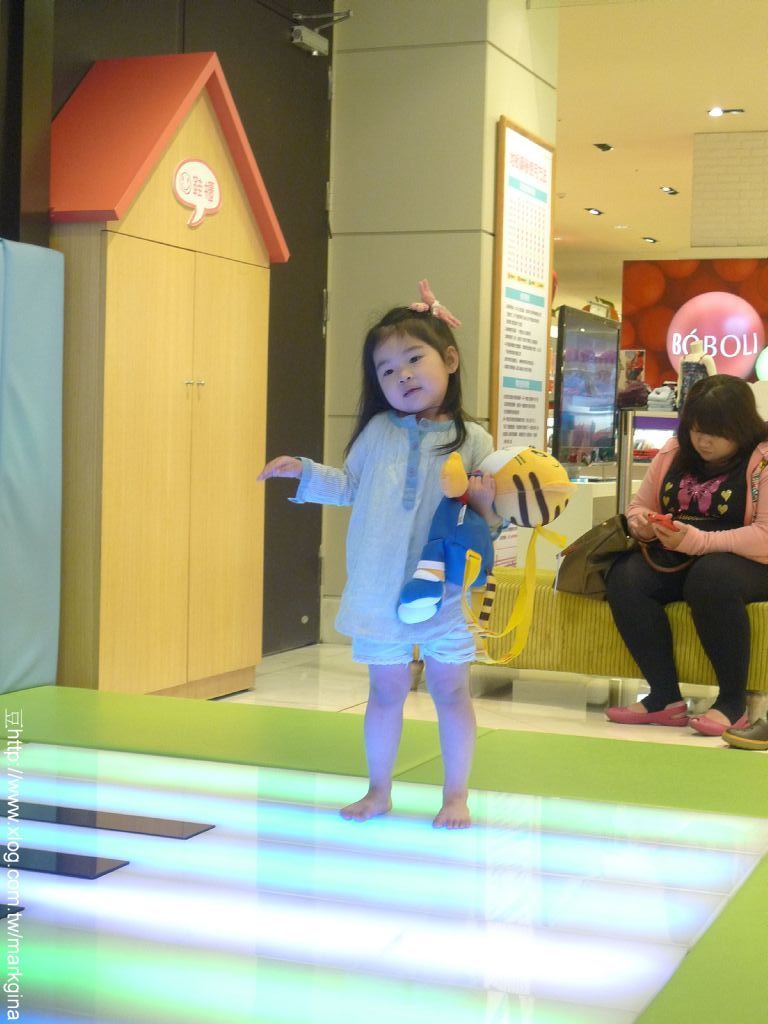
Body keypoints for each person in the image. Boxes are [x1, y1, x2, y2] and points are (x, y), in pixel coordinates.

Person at [258, 280, 501, 828]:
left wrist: (488, 503)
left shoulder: (476, 441)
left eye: (414, 359)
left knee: (451, 690)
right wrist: (304, 472)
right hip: (377, 589)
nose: (403, 375)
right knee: (385, 691)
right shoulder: (375, 432)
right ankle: (378, 790)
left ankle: (456, 795)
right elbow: (349, 486)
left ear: (450, 360)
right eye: (387, 370)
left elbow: (490, 519)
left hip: (444, 592)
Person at [605, 374, 768, 737]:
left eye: (716, 433)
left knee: (711, 577)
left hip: (750, 563)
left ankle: (732, 704)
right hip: (681, 553)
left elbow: (764, 536)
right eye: (696, 430)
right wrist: (642, 525)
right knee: (625, 576)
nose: (703, 441)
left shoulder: (763, 459)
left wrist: (699, 542)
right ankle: (663, 698)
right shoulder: (674, 451)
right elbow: (639, 506)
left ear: (741, 427)